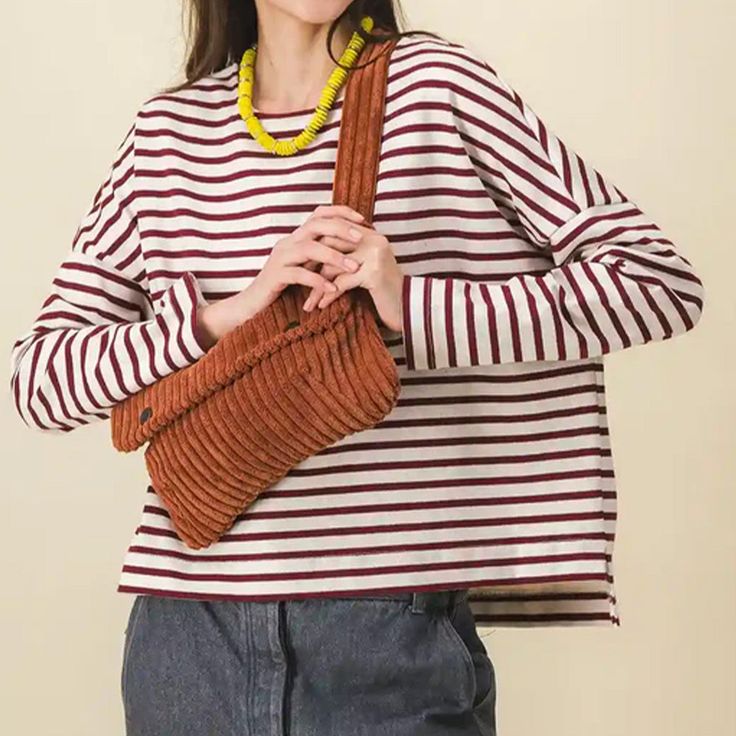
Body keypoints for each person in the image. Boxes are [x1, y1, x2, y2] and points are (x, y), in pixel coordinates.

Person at [9, 1, 705, 735]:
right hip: (188, 639)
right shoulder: (167, 135)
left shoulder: (436, 87)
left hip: (387, 638)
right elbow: (39, 382)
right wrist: (225, 316)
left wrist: (411, 305)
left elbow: (656, 284)